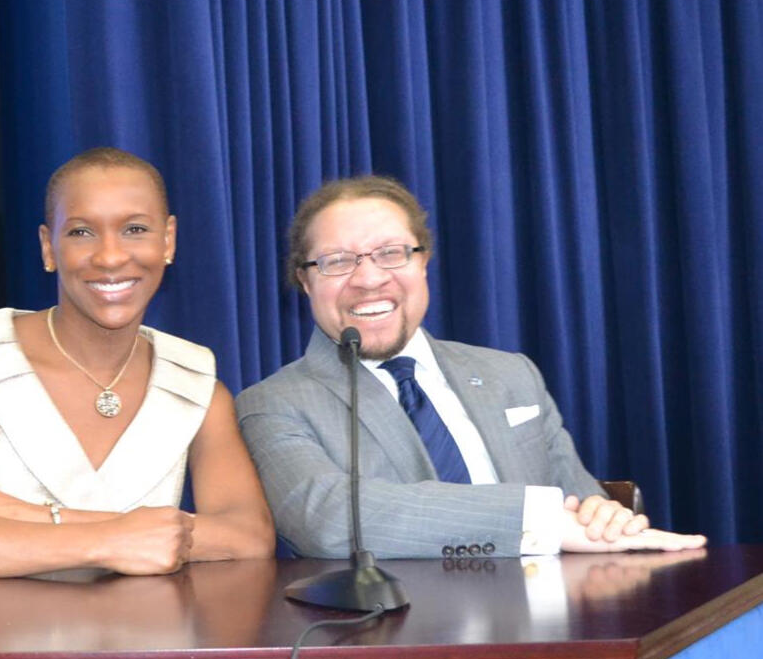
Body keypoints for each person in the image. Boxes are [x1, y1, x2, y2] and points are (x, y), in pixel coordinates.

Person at [0, 147, 275, 579]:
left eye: (135, 229)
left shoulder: (193, 380)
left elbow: (249, 538)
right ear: (48, 247)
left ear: (168, 241)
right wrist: (108, 541)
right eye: (82, 233)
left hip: (144, 643)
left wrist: (40, 518)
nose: (109, 256)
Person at [235, 176, 706, 559]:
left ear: (423, 262)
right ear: (304, 280)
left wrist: (603, 520)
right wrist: (532, 519)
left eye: (390, 253)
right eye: (337, 261)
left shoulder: (512, 375)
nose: (369, 278)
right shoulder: (272, 405)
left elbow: (580, 504)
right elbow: (329, 519)